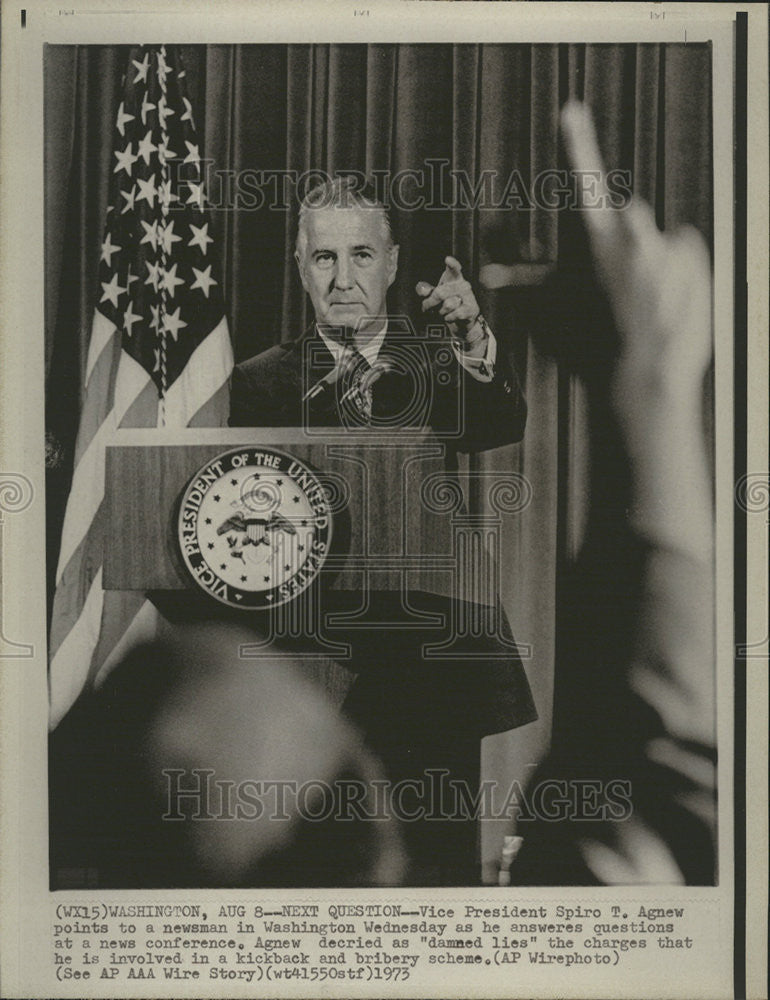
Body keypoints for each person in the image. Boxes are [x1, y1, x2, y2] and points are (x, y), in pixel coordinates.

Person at [227, 177, 538, 884]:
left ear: (393, 265)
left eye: (361, 256)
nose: (343, 279)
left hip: (434, 674)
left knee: (435, 881)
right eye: (325, 258)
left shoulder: (439, 359)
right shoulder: (258, 381)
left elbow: (498, 421)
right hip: (312, 676)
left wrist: (471, 336)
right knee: (319, 884)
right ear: (301, 267)